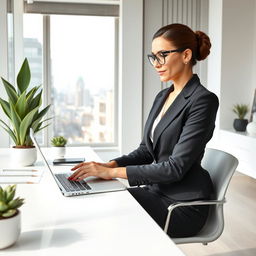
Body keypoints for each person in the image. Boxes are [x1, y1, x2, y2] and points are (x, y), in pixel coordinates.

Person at [68, 23, 219, 238]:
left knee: (104, 215)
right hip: (156, 192)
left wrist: (111, 173)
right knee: (98, 199)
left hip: (182, 205)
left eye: (162, 55)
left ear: (186, 55)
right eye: (153, 57)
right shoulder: (163, 97)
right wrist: (110, 165)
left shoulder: (203, 100)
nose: (156, 64)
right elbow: (146, 151)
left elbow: (175, 168)